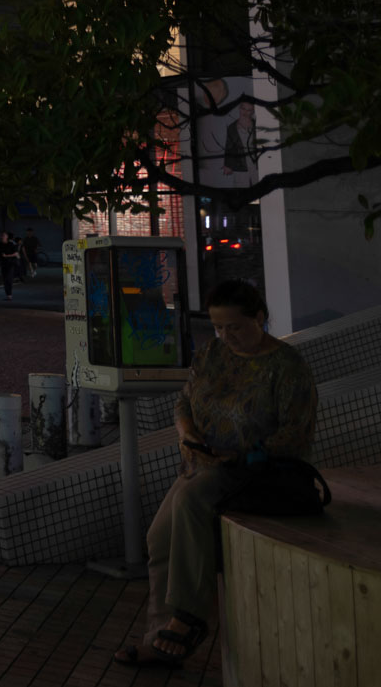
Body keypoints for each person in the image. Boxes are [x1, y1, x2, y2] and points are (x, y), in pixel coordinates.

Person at [115, 280, 317, 668]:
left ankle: (188, 618)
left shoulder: (287, 366)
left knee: (192, 503)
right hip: (201, 463)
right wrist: (186, 434)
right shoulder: (212, 354)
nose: (226, 336)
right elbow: (184, 401)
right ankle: (157, 638)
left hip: (253, 471)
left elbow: (297, 433)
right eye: (218, 327)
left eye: (235, 327)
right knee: (159, 538)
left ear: (259, 317)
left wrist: (242, 454)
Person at [0, 230, 20, 299]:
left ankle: (9, 294)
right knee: (5, 279)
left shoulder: (11, 244)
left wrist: (7, 256)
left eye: (4, 235)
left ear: (7, 237)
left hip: (10, 263)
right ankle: (8, 295)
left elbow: (16, 253)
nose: (2, 237)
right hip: (3, 264)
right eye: (2, 235)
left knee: (9, 278)